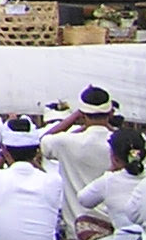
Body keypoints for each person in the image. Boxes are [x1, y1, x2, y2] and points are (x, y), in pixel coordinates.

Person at [41, 90, 118, 229]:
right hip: (115, 227)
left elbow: (43, 141)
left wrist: (75, 119)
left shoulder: (65, 142)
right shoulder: (122, 143)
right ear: (111, 112)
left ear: (82, 114)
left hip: (77, 230)